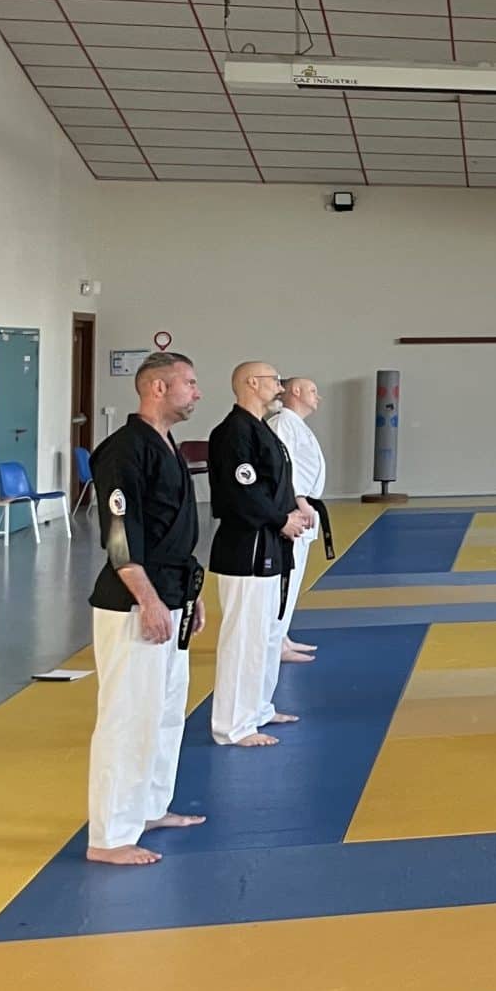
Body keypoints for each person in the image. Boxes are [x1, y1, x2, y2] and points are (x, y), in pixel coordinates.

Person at [84, 351, 208, 866]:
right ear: (157, 388)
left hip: (171, 593)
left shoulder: (167, 445)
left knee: (164, 713)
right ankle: (109, 836)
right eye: (189, 383)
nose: (197, 392)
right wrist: (149, 599)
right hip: (134, 602)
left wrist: (190, 595)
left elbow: (173, 532)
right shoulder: (124, 451)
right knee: (128, 717)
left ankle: (150, 807)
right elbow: (119, 536)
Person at [208, 360, 312, 748]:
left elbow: (274, 484)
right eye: (274, 380)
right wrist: (280, 519)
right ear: (252, 383)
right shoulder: (234, 432)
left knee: (267, 633)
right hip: (246, 545)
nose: (280, 387)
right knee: (243, 637)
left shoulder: (260, 428)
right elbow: (242, 492)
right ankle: (232, 725)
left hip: (269, 541)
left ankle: (258, 709)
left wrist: (294, 509)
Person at [266, 376, 328, 666]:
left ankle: (282, 636)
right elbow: (282, 467)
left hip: (304, 506)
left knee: (294, 580)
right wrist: (299, 499)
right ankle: (275, 642)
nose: (318, 396)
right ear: (295, 391)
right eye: (313, 391)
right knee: (285, 581)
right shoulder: (282, 423)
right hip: (294, 508)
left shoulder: (294, 423)